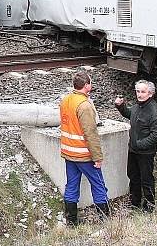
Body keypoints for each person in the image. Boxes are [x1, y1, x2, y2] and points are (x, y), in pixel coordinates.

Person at [60, 71, 109, 225]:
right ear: (87, 86)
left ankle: (72, 221)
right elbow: (90, 133)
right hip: (83, 155)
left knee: (71, 186)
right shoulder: (84, 105)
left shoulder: (66, 100)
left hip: (69, 152)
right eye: (90, 83)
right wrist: (97, 157)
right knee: (98, 185)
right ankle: (105, 220)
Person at [115, 80, 157, 212]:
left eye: (143, 92)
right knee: (133, 176)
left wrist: (140, 144)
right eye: (138, 91)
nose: (139, 94)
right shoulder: (138, 106)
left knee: (146, 179)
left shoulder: (154, 111)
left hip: (145, 153)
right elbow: (129, 114)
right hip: (133, 150)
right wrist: (121, 106)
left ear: (150, 94)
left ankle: (149, 206)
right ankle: (134, 202)